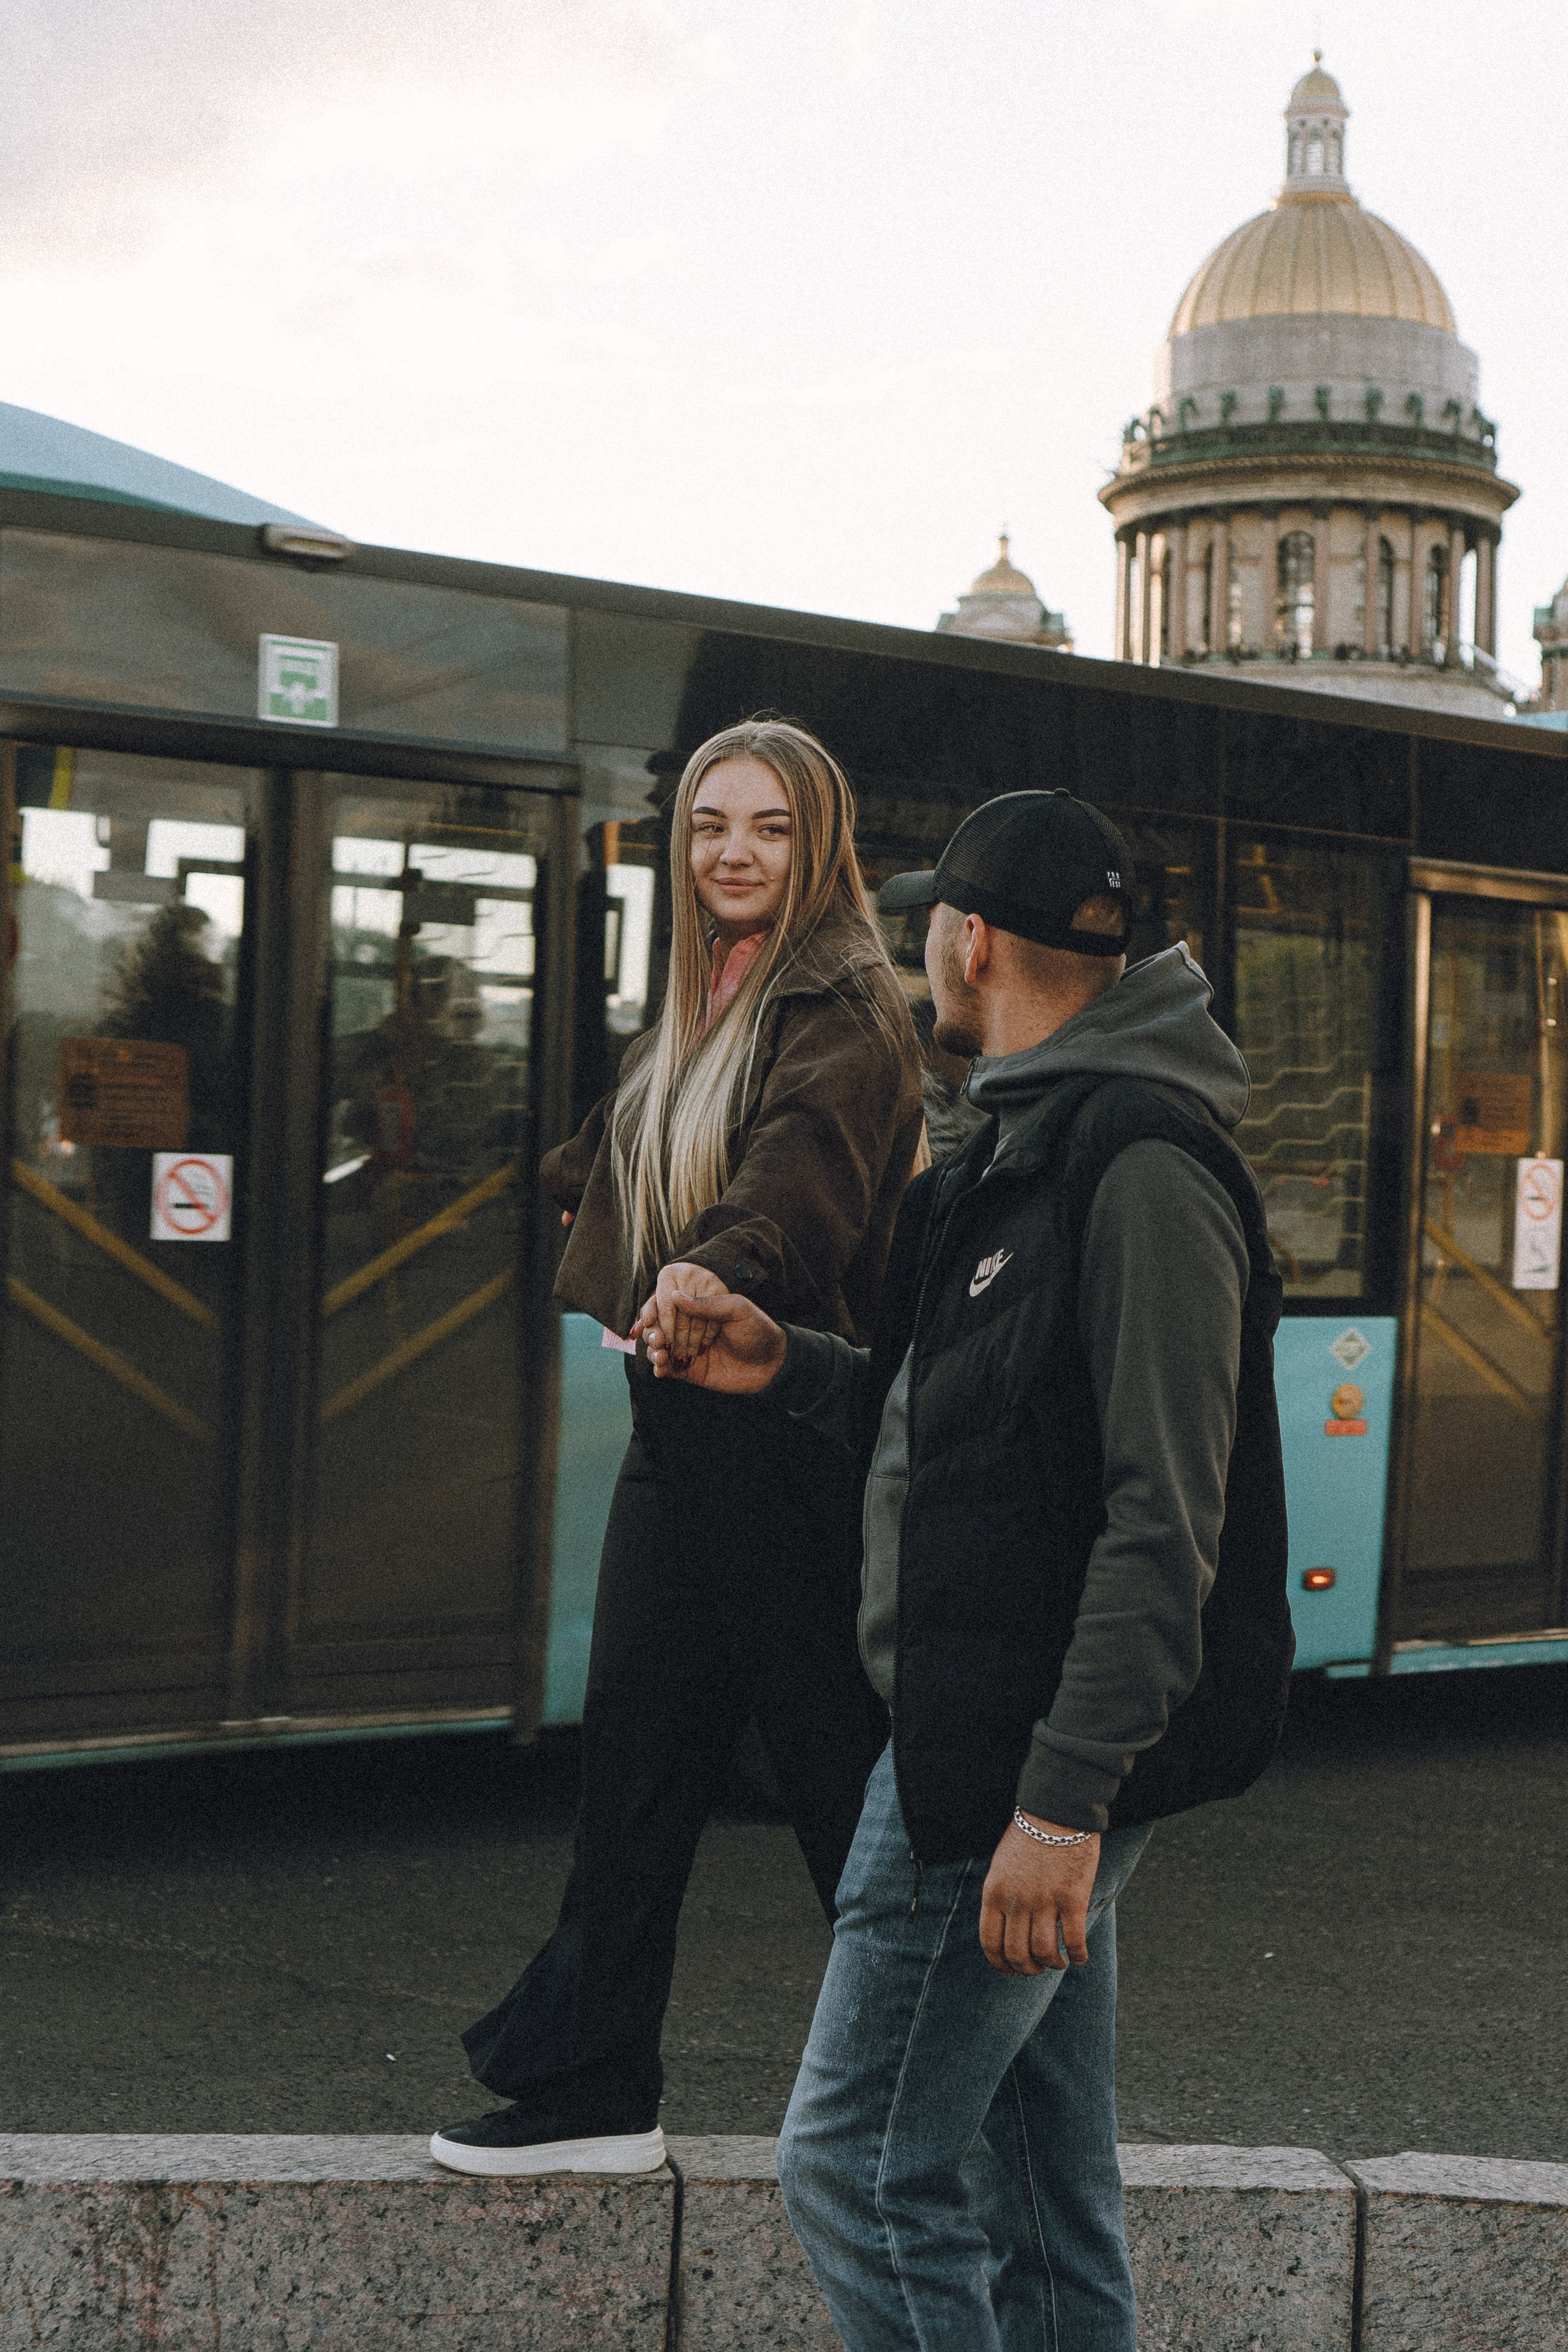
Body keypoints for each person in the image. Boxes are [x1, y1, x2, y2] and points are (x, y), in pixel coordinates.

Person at [638, 788, 1293, 2352]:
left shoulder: (1137, 1166)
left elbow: (1162, 1516)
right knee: (1037, 2191)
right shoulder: (1005, 1149)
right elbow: (957, 1425)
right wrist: (779, 1360)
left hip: (1004, 1759)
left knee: (856, 2171)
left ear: (969, 939)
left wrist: (1060, 1802)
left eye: (928, 921)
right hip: (985, 1730)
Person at [430, 718, 925, 2179]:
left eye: (767, 828)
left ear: (817, 841)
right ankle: (591, 2088)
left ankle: (940, 2081)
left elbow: (796, 1189)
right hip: (688, 1419)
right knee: (638, 1759)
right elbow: (624, 1143)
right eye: (711, 824)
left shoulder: (840, 1005)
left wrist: (705, 1269)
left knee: (839, 1781)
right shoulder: (713, 990)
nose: (731, 852)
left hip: (775, 1425)